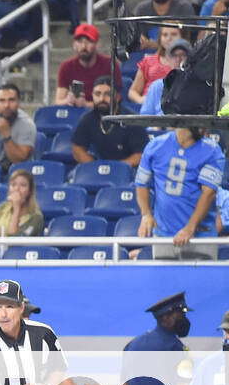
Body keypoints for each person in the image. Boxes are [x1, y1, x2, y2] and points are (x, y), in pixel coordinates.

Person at [135, 128, 224, 260]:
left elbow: (208, 194)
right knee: (164, 279)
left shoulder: (212, 150)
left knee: (201, 280)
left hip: (200, 237)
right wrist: (146, 214)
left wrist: (189, 228)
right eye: (199, 121)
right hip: (163, 235)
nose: (204, 126)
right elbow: (142, 183)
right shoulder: (156, 145)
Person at [72, 77, 148, 168]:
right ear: (92, 95)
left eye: (107, 94)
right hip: (97, 168)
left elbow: (140, 155)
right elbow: (77, 148)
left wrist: (114, 168)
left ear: (118, 97)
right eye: (97, 94)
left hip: (127, 170)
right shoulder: (88, 118)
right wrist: (94, 166)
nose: (102, 98)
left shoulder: (132, 120)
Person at [54, 23, 121, 108]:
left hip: (102, 112)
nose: (83, 46)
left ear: (97, 44)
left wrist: (86, 105)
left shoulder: (110, 64)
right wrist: (68, 100)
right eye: (80, 41)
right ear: (74, 44)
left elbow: (117, 99)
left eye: (89, 41)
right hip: (75, 114)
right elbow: (58, 101)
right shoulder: (66, 67)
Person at [0, 168, 44, 237]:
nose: (17, 189)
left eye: (23, 185)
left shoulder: (36, 217)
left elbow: (15, 240)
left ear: (30, 191)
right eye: (13, 185)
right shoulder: (2, 207)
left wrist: (17, 209)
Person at [127, 27, 183, 105]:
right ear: (160, 38)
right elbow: (133, 91)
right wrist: (141, 100)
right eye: (165, 35)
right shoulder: (148, 61)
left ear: (182, 37)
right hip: (150, 107)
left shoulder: (188, 61)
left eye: (174, 34)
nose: (169, 38)